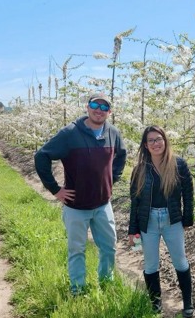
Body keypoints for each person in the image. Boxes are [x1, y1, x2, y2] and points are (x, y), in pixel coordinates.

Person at [34, 92, 127, 295]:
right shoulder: (69, 134)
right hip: (76, 206)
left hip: (103, 205)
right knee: (77, 250)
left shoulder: (113, 133)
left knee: (109, 248)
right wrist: (56, 189)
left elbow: (121, 155)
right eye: (95, 105)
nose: (99, 110)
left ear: (109, 112)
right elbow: (42, 156)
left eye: (104, 107)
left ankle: (106, 282)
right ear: (87, 107)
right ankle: (78, 289)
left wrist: (113, 179)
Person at [128, 125, 195, 318]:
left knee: (180, 261)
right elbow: (136, 202)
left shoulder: (178, 164)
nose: (156, 143)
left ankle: (187, 302)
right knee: (150, 264)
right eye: (151, 140)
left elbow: (188, 194)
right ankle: (155, 303)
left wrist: (187, 220)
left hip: (171, 219)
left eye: (159, 139)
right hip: (148, 221)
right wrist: (133, 231)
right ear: (145, 145)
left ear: (165, 141)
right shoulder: (140, 170)